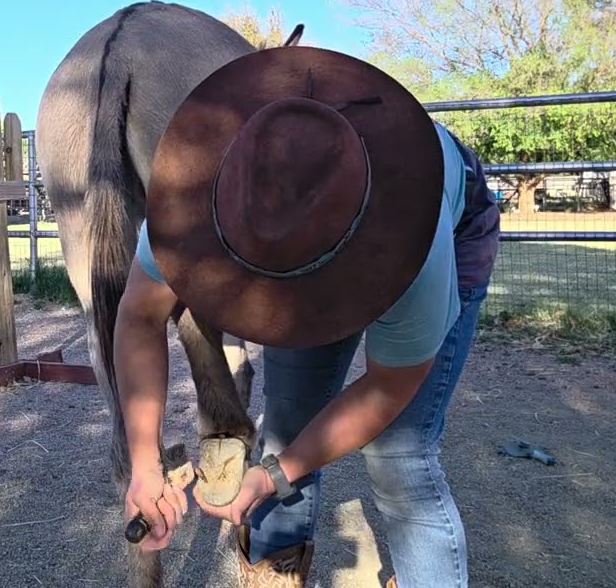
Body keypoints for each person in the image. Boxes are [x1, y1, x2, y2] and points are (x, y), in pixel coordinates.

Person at [112, 46, 500, 587]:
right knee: (286, 428)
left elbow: (387, 387)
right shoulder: (194, 200)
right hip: (305, 233)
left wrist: (276, 477)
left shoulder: (419, 249)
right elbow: (139, 317)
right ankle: (274, 574)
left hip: (450, 230)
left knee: (400, 456)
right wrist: (144, 462)